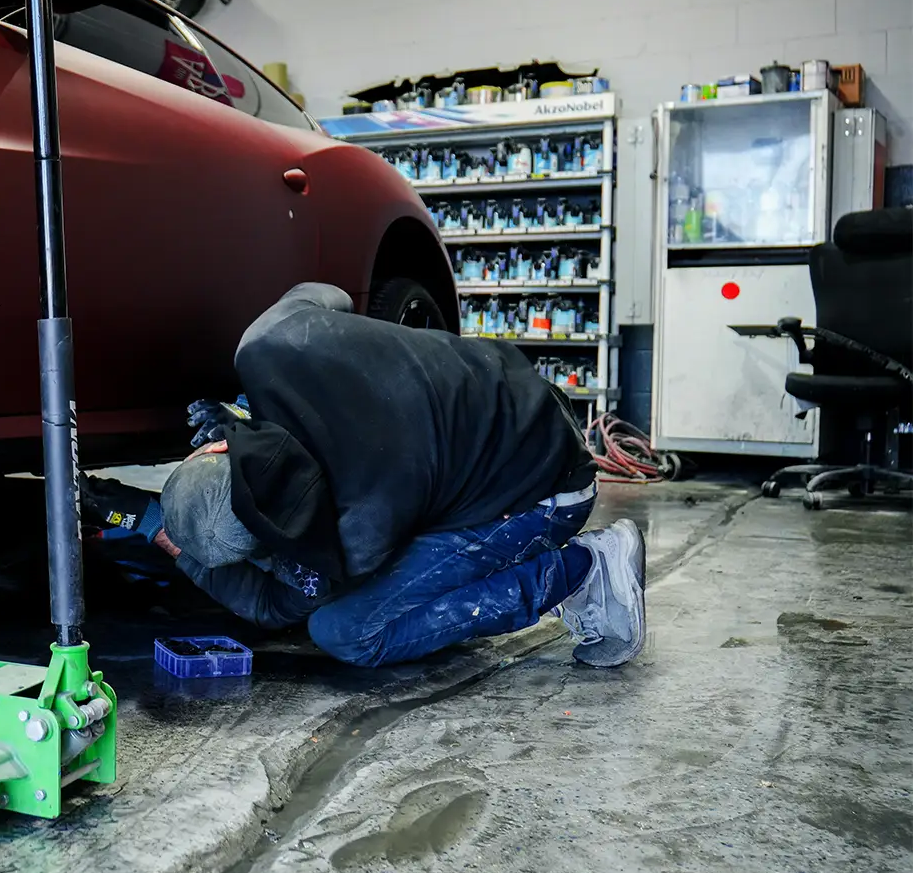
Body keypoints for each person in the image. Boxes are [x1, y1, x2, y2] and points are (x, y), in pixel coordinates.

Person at [81, 283, 646, 669]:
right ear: (216, 446)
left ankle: (582, 570)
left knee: (347, 633)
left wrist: (159, 529)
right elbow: (333, 295)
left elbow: (278, 606)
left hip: (545, 493)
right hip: (526, 406)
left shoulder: (357, 532)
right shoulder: (269, 340)